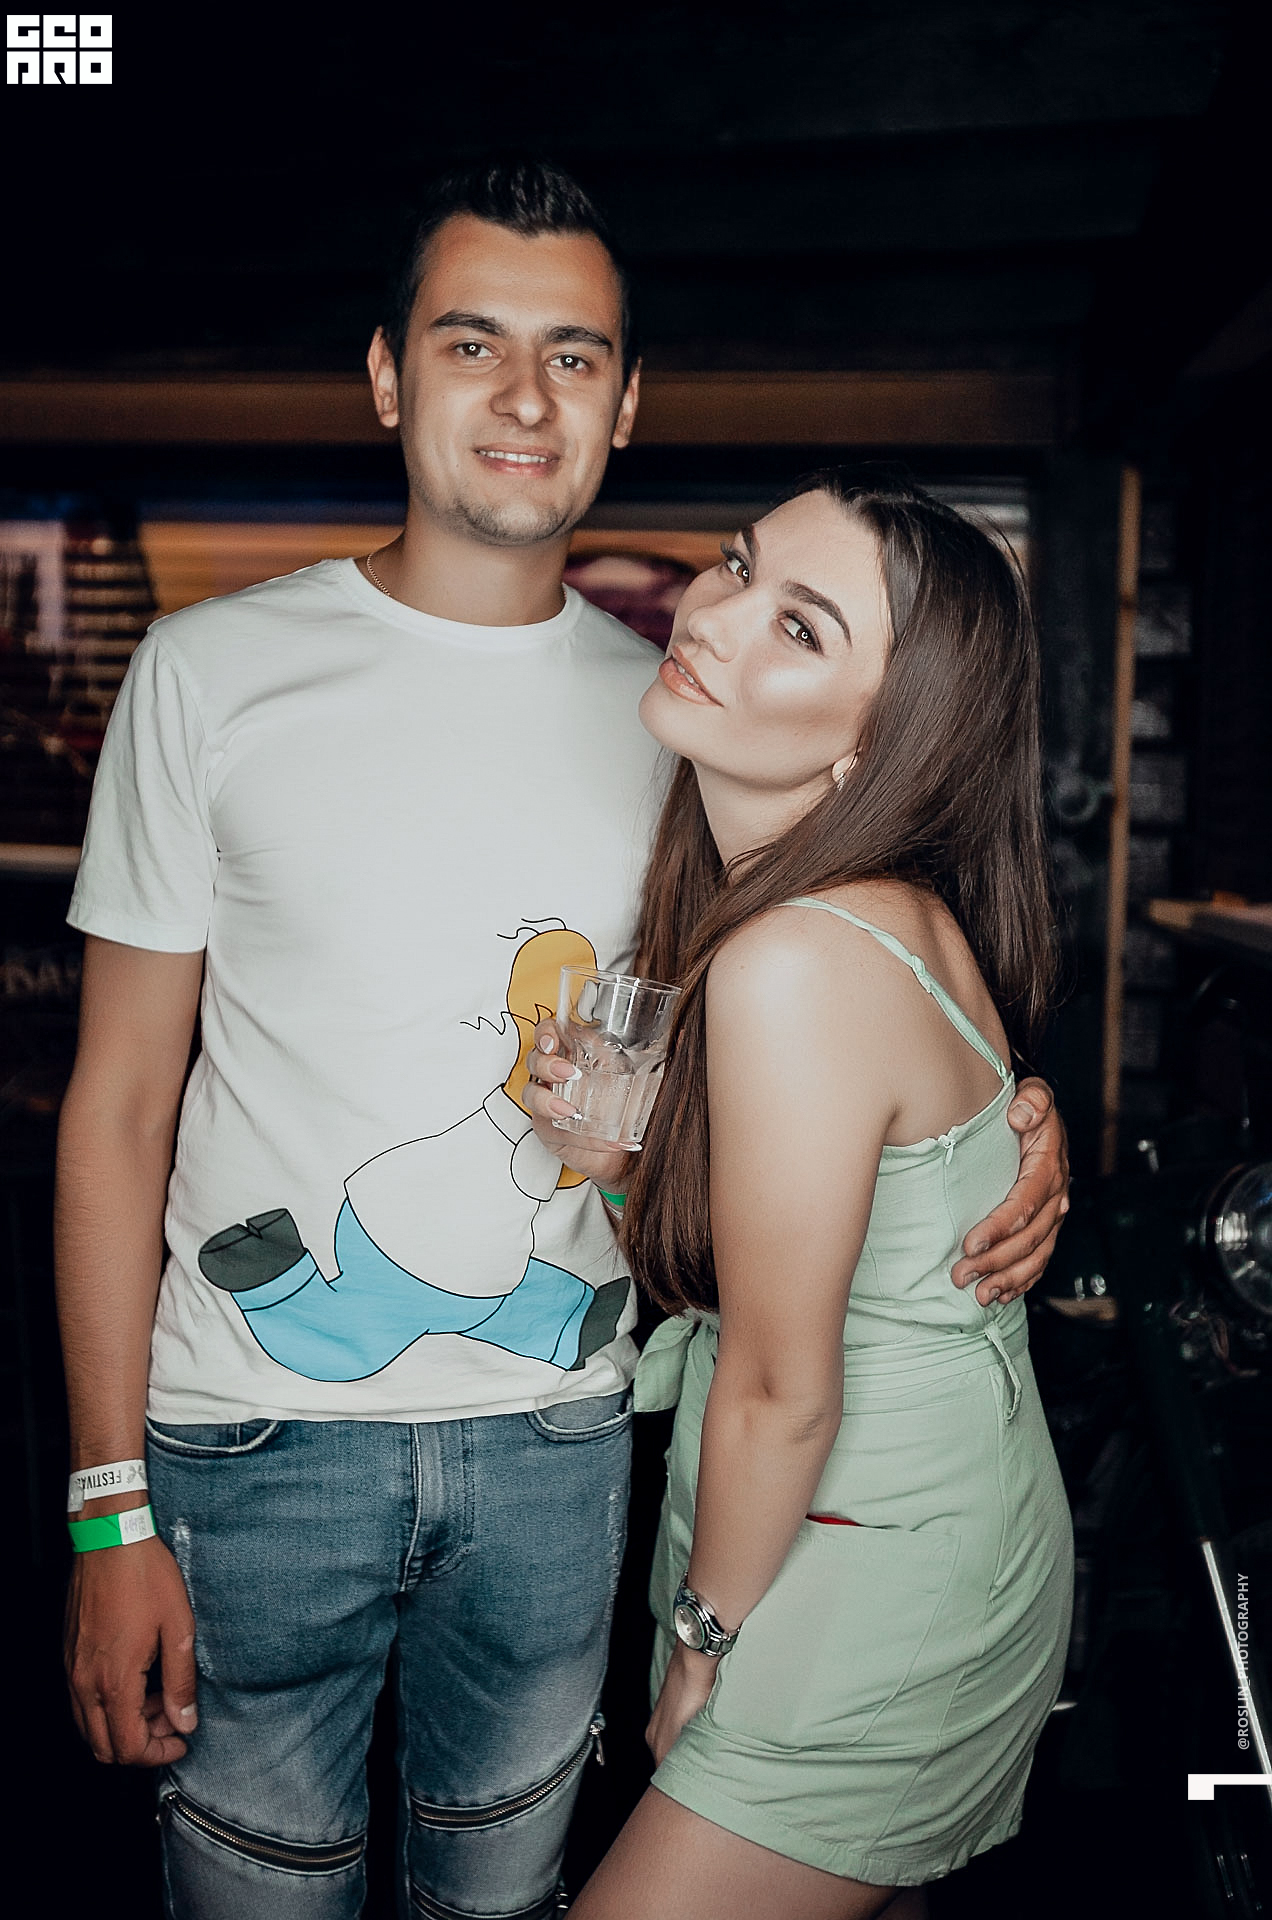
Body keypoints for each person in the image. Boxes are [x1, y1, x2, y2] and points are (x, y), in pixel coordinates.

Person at [56, 161, 1068, 1920]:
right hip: (255, 1439)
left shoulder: (677, 712)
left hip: (563, 1436)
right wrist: (103, 1509)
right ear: (391, 375)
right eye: (473, 344)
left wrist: (1004, 1122)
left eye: (575, 355)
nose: (526, 397)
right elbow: (120, 1101)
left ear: (627, 400)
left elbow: (852, 959)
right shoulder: (207, 674)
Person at [525, 472, 1075, 1919]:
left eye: (801, 625)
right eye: (736, 563)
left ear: (881, 745)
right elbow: (822, 1252)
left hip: (871, 1568)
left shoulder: (796, 957)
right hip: (869, 1526)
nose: (713, 614)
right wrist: (622, 1163)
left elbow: (781, 1386)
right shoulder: (853, 913)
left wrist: (701, 1640)